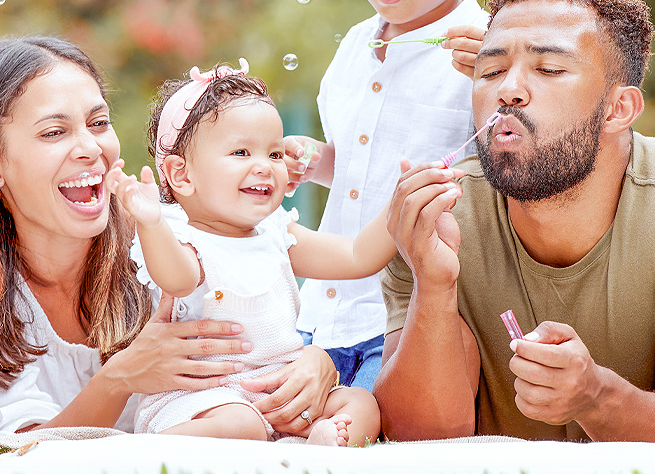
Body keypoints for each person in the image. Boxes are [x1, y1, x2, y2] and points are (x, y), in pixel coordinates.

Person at [375, 0, 655, 445]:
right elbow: (414, 438)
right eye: (491, 70)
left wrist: (595, 396)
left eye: (549, 69)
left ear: (618, 109)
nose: (508, 90)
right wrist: (433, 283)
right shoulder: (436, 218)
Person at [0, 37, 341, 439]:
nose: (90, 147)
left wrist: (316, 360)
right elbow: (25, 449)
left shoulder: (166, 238)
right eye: (55, 132)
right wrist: (120, 377)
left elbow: (261, 334)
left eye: (98, 123)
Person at [288, 0, 510, 392]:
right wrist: (315, 161)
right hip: (321, 314)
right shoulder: (356, 46)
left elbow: (506, 170)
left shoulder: (490, 54)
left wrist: (496, 85)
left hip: (410, 319)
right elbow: (368, 166)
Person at [114, 62, 443, 446]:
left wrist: (400, 200)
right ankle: (161, 448)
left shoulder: (276, 233)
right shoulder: (183, 239)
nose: (264, 167)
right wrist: (150, 224)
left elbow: (356, 256)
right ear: (182, 175)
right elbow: (177, 278)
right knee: (242, 426)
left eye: (273, 153)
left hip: (281, 394)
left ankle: (326, 443)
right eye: (241, 152)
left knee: (360, 401)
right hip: (204, 399)